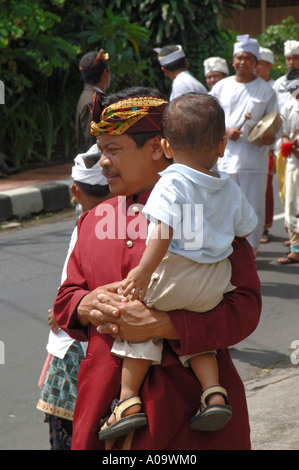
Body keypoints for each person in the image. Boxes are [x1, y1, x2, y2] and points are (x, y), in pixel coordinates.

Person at [53, 86, 262, 451]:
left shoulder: (213, 214)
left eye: (113, 150)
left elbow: (246, 308)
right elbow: (66, 298)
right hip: (104, 412)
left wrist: (167, 324)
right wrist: (86, 305)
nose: (103, 161)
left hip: (192, 423)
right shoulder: (92, 221)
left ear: (157, 147)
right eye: (101, 151)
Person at [37, 147, 110, 450]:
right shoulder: (127, 218)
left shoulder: (89, 225)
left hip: (74, 348)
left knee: (73, 435)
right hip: (100, 345)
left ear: (75, 190)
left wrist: (65, 307)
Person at [210, 34, 279, 257]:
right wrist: (225, 130)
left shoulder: (266, 91)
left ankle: (251, 254)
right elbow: (208, 117)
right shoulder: (221, 87)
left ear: (255, 62)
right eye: (239, 57)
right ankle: (228, 255)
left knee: (254, 210)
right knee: (225, 210)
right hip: (225, 161)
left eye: (248, 58)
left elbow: (275, 122)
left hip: (254, 162)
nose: (243, 62)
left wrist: (271, 136)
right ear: (233, 61)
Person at [273, 40, 299, 211]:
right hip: (284, 142)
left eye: (295, 58)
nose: (291, 62)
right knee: (285, 186)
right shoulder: (279, 83)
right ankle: (290, 224)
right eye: (288, 59)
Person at [276, 77, 299, 264]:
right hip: (294, 162)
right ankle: (296, 248)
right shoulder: (289, 106)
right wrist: (290, 146)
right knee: (292, 204)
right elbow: (284, 135)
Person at [255, 47, 275, 243]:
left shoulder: (274, 87)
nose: (257, 67)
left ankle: (265, 228)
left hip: (269, 147)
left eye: (260, 63)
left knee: (265, 189)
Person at [76, 49, 111, 154]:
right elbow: (93, 145)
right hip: (95, 166)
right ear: (105, 72)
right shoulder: (93, 101)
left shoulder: (89, 96)